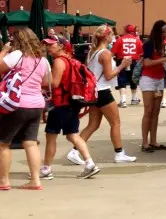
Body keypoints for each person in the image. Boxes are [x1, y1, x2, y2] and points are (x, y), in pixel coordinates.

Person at [67, 25, 137, 164]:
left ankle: (74, 151)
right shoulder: (105, 53)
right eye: (112, 34)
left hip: (94, 93)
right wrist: (122, 65)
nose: (114, 37)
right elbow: (109, 75)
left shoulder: (93, 52)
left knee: (93, 124)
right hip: (103, 92)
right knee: (115, 123)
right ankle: (119, 153)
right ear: (106, 36)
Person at [41, 37, 100, 179]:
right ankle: (90, 163)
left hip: (60, 104)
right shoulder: (70, 60)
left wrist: (41, 80)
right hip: (72, 103)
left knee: (51, 137)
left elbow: (54, 83)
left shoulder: (59, 61)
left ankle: (46, 169)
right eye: (47, 45)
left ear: (61, 46)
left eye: (51, 45)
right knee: (72, 135)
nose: (48, 48)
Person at [0, 28, 51, 190]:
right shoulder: (42, 60)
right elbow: (46, 81)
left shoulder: (16, 55)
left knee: (3, 143)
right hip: (37, 105)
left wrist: (4, 50)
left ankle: (3, 181)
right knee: (30, 142)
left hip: (17, 104)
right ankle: (35, 180)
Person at [140, 20, 166, 152]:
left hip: (159, 79)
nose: (165, 34)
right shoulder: (149, 44)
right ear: (157, 31)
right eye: (163, 32)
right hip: (148, 79)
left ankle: (153, 141)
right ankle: (145, 142)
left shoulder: (164, 45)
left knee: (156, 112)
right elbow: (147, 63)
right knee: (148, 111)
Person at [112, 24, 144, 108]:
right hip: (133, 60)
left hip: (122, 60)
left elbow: (113, 52)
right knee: (133, 79)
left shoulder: (120, 39)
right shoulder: (137, 40)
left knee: (122, 80)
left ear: (125, 30)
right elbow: (141, 53)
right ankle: (133, 99)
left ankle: (123, 101)